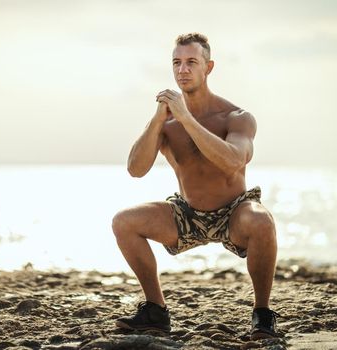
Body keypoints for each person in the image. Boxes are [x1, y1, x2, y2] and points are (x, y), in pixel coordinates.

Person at [112, 33, 279, 340]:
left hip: (234, 213)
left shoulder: (236, 117)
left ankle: (263, 314)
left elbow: (231, 161)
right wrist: (157, 120)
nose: (182, 70)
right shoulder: (167, 123)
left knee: (262, 220)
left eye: (191, 62)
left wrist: (187, 118)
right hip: (188, 213)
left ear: (208, 67)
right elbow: (136, 169)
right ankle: (155, 311)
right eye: (177, 63)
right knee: (123, 222)